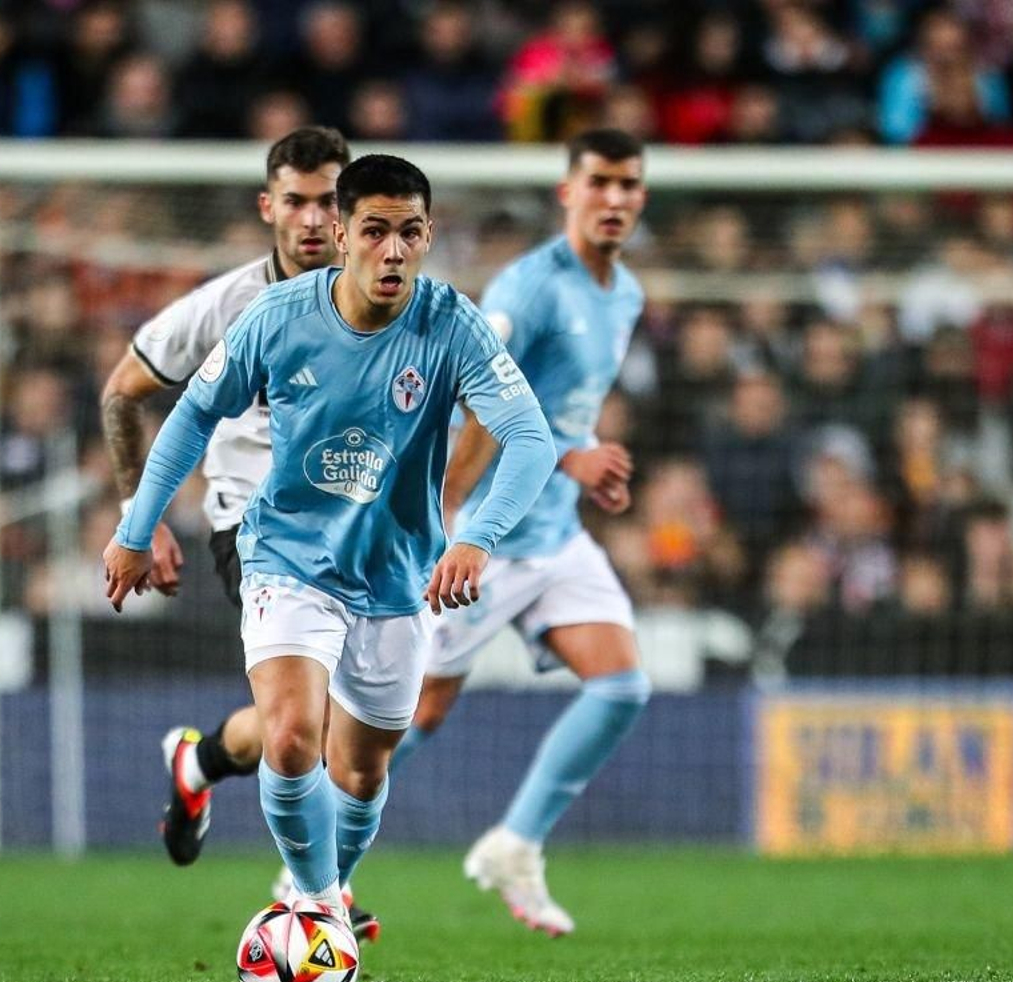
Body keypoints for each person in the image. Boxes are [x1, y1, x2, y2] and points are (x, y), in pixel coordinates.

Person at [103, 153, 556, 929]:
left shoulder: (451, 322)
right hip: (285, 555)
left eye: (409, 233)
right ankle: (315, 908)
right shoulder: (275, 317)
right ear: (343, 234)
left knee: (361, 768)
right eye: (374, 231)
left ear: (427, 235)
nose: (392, 251)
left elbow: (532, 438)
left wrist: (477, 536)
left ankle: (303, 863)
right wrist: (134, 528)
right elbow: (189, 417)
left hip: (396, 573)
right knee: (289, 738)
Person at [386, 128, 652, 937]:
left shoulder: (625, 294)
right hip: (484, 535)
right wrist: (451, 516)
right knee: (414, 715)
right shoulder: (530, 288)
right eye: (599, 181)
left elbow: (561, 406)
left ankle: (516, 843)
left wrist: (576, 464)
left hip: (556, 537)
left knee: (620, 685)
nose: (615, 198)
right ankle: (306, 855)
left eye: (629, 185)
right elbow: (476, 395)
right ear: (567, 192)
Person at [93, 127, 355, 885]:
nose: (312, 219)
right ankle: (317, 894)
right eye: (297, 201)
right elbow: (122, 391)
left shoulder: (382, 301)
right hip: (256, 530)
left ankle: (198, 760)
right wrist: (138, 515)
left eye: (328, 202)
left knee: (311, 726)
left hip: (360, 533)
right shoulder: (225, 306)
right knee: (320, 721)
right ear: (268, 205)